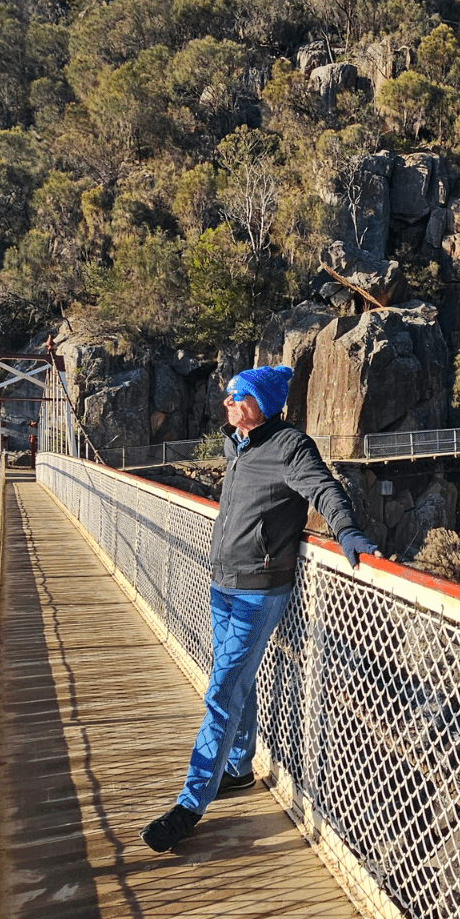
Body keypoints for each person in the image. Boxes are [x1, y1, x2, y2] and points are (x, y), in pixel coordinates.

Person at [141, 364, 378, 853]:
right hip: (223, 582)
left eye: (238, 397)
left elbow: (324, 489)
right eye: (228, 396)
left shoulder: (289, 446)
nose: (227, 403)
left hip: (260, 589)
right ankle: (238, 768)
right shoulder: (237, 445)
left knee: (222, 690)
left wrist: (347, 530)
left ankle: (190, 804)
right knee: (234, 681)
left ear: (263, 404)